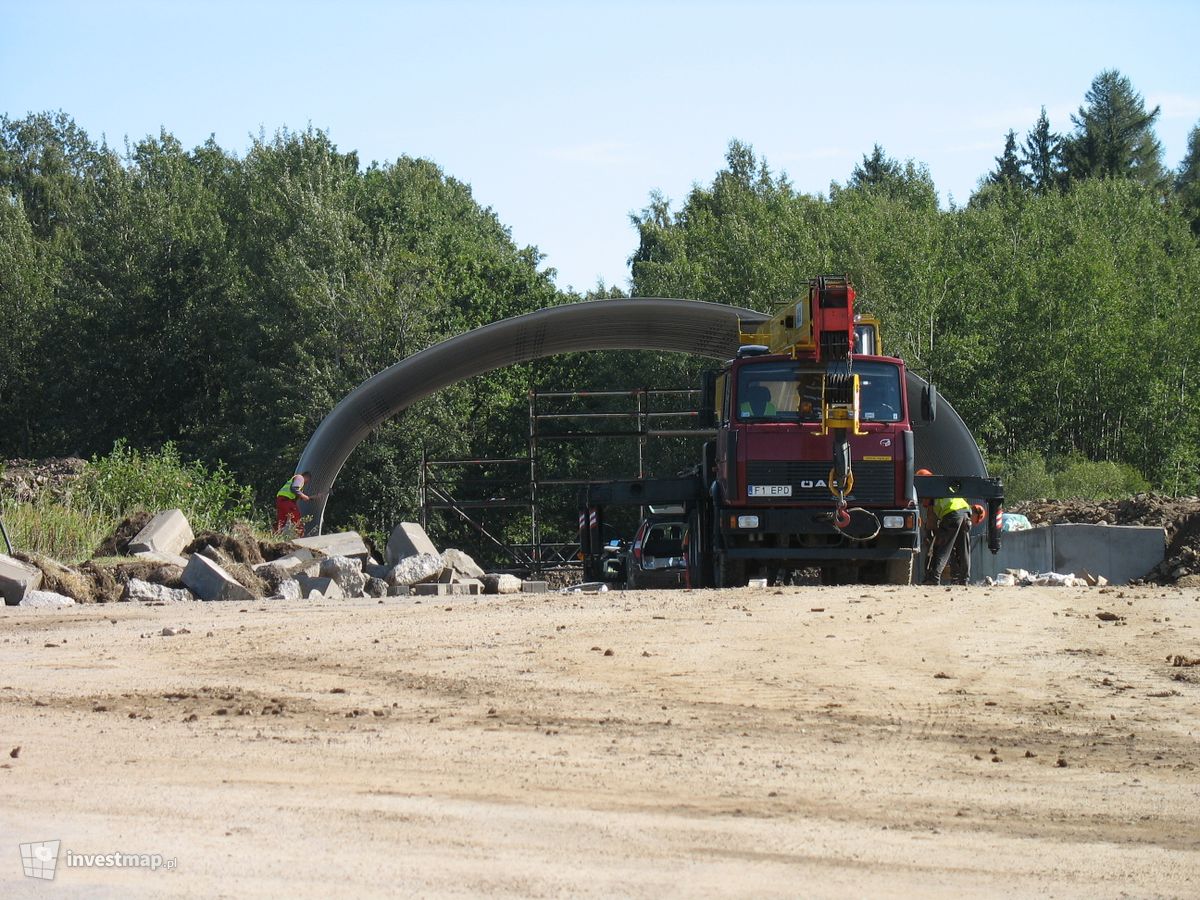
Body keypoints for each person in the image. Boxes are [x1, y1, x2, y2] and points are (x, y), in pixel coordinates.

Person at [918, 469, 971, 585]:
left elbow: (931, 521)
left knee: (942, 546)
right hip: (965, 513)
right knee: (963, 549)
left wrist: (928, 533)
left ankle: (933, 578)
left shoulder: (929, 490)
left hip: (951, 514)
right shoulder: (943, 484)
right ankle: (964, 579)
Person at [275, 471, 319, 537]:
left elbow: (302, 497)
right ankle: (300, 540)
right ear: (307, 478)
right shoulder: (300, 478)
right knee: (297, 522)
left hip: (281, 501)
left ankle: (275, 537)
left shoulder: (298, 485)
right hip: (287, 501)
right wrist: (303, 496)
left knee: (281, 523)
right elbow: (294, 488)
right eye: (308, 481)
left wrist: (315, 497)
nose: (306, 483)